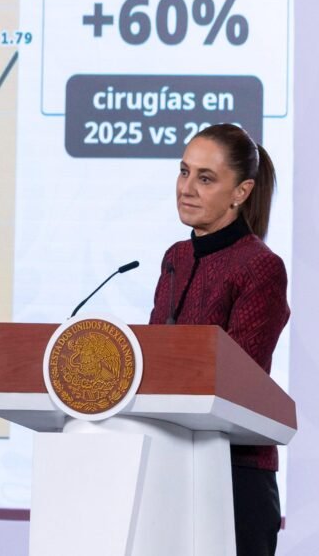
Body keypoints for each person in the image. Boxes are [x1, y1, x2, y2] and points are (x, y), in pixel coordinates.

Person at [149, 123, 289, 555]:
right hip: (171, 464)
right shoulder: (175, 257)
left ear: (241, 192)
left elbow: (238, 378)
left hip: (235, 474)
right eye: (184, 172)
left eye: (205, 178)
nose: (186, 188)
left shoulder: (261, 266)